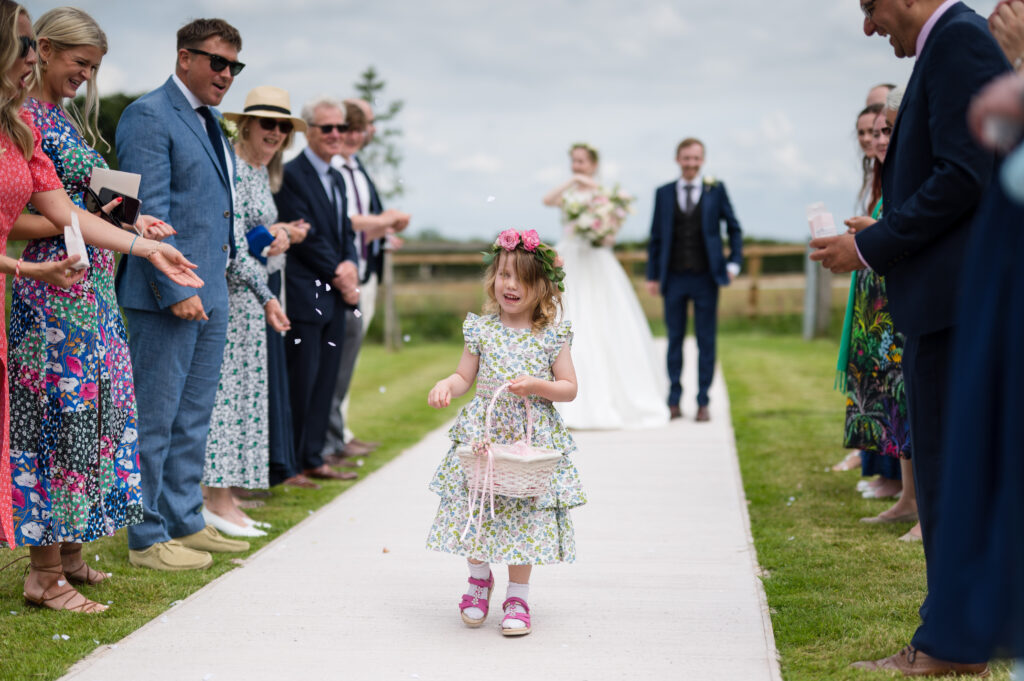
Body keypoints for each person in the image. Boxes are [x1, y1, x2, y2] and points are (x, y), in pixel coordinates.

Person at [811, 0, 1008, 674]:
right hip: (946, 305)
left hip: (959, 309)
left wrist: (872, 248)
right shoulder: (948, 44)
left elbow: (965, 174)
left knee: (954, 480)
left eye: (870, 7)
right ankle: (956, 636)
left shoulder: (956, 42)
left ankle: (951, 645)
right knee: (951, 478)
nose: (869, 27)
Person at [0, 1, 203, 611]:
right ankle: (44, 570)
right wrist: (105, 240)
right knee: (55, 423)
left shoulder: (54, 122)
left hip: (89, 289)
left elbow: (73, 206)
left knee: (92, 420)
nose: (84, 76)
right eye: (77, 62)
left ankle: (68, 555)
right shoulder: (25, 120)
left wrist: (138, 236)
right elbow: (26, 219)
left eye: (93, 67)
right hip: (49, 293)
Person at [116, 17, 253, 571]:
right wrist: (172, 287)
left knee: (194, 415)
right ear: (184, 59)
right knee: (156, 415)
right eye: (216, 62)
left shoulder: (211, 120)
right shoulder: (148, 114)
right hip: (166, 292)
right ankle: (146, 536)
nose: (226, 74)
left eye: (234, 66)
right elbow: (150, 213)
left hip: (211, 288)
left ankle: (183, 519)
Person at [426, 229, 585, 636]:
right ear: (492, 279)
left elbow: (568, 388)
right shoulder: (481, 329)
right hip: (486, 435)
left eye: (522, 279)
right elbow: (465, 375)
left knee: (522, 516)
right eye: (503, 275)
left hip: (530, 440)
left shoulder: (551, 335)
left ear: (543, 288)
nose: (510, 285)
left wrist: (537, 386)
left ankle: (518, 594)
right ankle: (479, 580)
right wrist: (448, 384)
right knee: (475, 507)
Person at [200, 86, 306, 536]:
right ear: (246, 124)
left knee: (245, 398)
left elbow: (253, 234)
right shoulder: (235, 170)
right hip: (235, 291)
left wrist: (278, 233)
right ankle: (215, 502)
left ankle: (228, 501)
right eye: (268, 123)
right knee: (225, 400)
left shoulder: (261, 172)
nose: (277, 133)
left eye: (283, 126)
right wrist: (267, 293)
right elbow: (233, 244)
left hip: (253, 293)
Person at [542, 142, 668, 430]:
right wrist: (573, 181)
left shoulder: (606, 196)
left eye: (582, 162)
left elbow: (611, 236)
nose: (577, 166)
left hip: (596, 259)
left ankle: (607, 397)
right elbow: (548, 200)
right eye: (574, 161)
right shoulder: (570, 193)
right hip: (571, 257)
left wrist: (596, 231)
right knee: (567, 317)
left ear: (594, 164)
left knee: (605, 322)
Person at [840, 99, 920, 536]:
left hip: (901, 297)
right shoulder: (882, 175)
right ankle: (907, 499)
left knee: (912, 399)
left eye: (885, 131)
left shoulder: (911, 169)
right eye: (871, 133)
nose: (877, 140)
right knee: (895, 400)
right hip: (879, 301)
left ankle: (923, 507)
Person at [274, 96, 359, 483]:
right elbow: (304, 233)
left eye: (341, 127)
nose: (336, 134)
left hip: (337, 293)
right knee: (302, 378)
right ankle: (289, 464)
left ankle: (314, 456)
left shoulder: (338, 176)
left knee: (327, 377)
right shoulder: (291, 174)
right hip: (305, 290)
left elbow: (344, 233)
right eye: (327, 128)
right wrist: (339, 271)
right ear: (310, 131)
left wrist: (351, 268)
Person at [322, 99, 410, 464]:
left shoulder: (358, 169)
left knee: (349, 361)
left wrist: (384, 232)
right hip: (340, 275)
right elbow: (344, 221)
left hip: (365, 269)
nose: (371, 131)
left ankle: (340, 431)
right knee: (336, 360)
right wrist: (382, 220)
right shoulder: (335, 169)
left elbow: (361, 223)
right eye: (368, 124)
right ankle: (330, 438)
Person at [646, 138, 743, 422]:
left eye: (696, 158)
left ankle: (703, 401)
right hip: (673, 277)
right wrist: (653, 275)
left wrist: (734, 263)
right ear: (678, 160)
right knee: (674, 339)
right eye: (686, 158)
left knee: (706, 341)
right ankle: (674, 399)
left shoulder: (716, 190)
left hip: (706, 277)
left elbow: (734, 228)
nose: (691, 163)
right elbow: (656, 237)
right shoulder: (663, 193)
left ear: (703, 160)